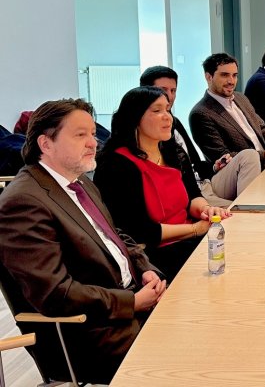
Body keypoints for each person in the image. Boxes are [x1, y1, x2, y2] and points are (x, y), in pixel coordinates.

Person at [0, 99, 166, 384]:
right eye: (80, 135)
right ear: (45, 144)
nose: (93, 142)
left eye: (92, 133)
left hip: (129, 306)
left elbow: (115, 235)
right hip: (93, 333)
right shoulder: (23, 202)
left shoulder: (79, 181)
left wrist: (145, 269)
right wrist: (131, 302)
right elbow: (56, 294)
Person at [94, 87, 231, 280]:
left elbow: (193, 195)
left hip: (190, 238)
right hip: (155, 254)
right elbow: (139, 231)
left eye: (168, 110)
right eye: (157, 111)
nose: (168, 117)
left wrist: (206, 210)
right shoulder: (116, 164)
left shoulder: (174, 152)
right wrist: (194, 230)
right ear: (135, 118)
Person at [140, 66, 260, 203]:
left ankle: (247, 206)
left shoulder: (174, 122)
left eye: (173, 90)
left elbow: (193, 163)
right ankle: (246, 208)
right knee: (242, 209)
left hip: (204, 182)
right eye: (163, 90)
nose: (169, 96)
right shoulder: (148, 131)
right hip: (188, 193)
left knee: (249, 155)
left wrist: (214, 166)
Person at [190, 53, 265, 171]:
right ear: (209, 77)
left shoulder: (240, 98)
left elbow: (261, 127)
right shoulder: (200, 114)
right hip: (247, 174)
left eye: (234, 75)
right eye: (225, 75)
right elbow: (223, 157)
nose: (231, 81)